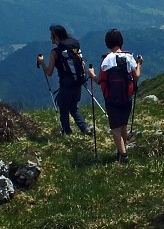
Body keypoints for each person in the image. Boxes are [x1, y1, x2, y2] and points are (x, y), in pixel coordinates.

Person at [90, 28, 141, 163]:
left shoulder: (106, 61)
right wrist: (139, 64)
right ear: (121, 41)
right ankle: (122, 151)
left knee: (115, 128)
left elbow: (99, 80)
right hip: (127, 98)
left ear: (107, 43)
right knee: (123, 125)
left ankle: (123, 155)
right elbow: (136, 77)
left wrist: (91, 73)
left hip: (111, 99)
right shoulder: (129, 57)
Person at [38, 25, 92, 136]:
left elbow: (49, 72)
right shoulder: (74, 46)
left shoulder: (55, 52)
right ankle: (85, 127)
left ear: (56, 36)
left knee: (63, 109)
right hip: (78, 82)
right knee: (73, 107)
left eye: (52, 35)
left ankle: (67, 132)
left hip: (65, 85)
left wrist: (42, 62)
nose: (50, 38)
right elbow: (82, 63)